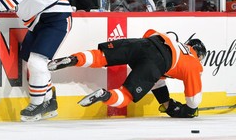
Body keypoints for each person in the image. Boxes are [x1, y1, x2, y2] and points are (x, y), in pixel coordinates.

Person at [47, 29, 207, 118]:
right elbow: (193, 100)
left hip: (145, 43)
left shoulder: (175, 41)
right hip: (158, 62)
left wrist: (167, 104)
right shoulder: (194, 64)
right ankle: (104, 95)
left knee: (101, 56)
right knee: (126, 96)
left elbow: (157, 81)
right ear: (199, 55)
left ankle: (74, 59)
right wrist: (189, 111)